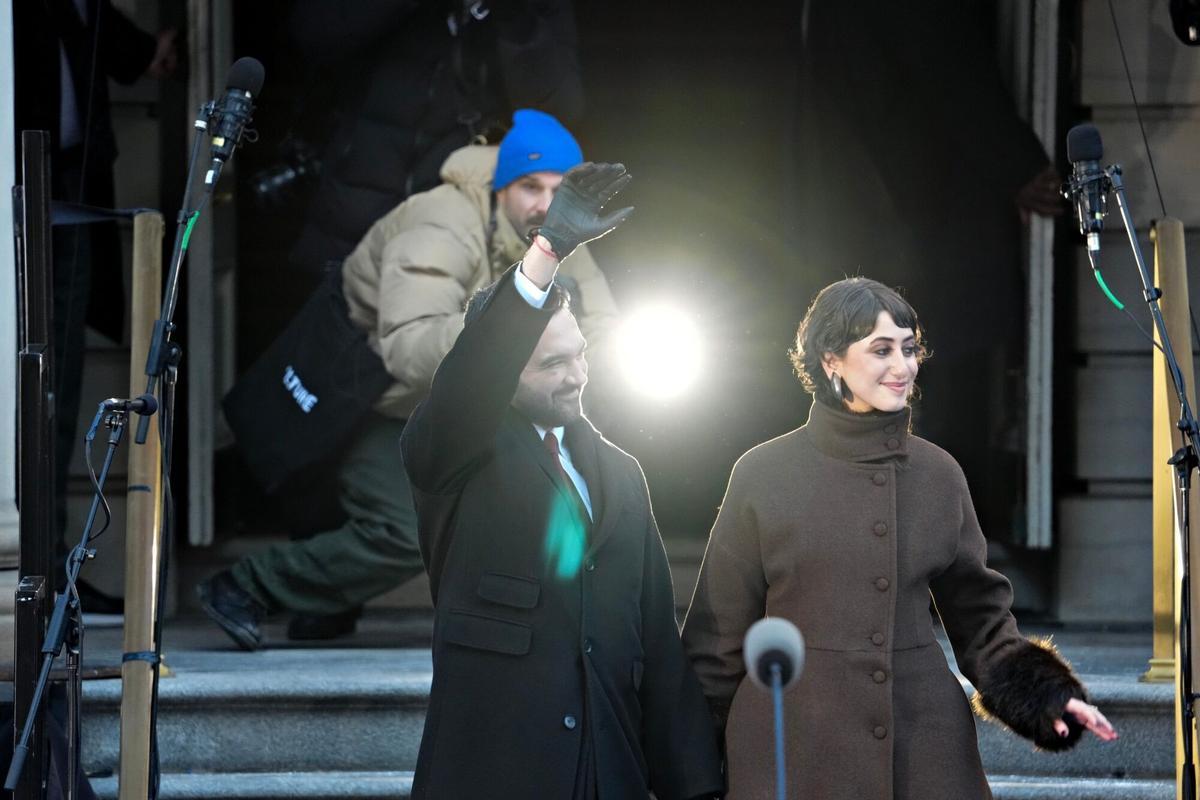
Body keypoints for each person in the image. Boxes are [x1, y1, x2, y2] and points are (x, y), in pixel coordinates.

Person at [681, 278, 1116, 799]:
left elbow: (980, 620)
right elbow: (717, 641)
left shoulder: (939, 473)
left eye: (909, 349)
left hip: (923, 745)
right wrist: (691, 774)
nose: (903, 366)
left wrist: (1045, 695)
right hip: (794, 745)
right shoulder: (763, 473)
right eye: (881, 350)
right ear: (831, 360)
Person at [198, 110, 620, 648]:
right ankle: (246, 587)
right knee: (407, 527)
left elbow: (603, 329)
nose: (545, 204)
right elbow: (410, 348)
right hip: (377, 401)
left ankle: (551, 626)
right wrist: (516, 321)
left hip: (468, 405)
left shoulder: (556, 235)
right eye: (530, 186)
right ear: (500, 186)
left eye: (560, 191)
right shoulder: (440, 222)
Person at [400, 162, 722, 799]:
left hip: (608, 774)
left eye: (580, 355)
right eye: (552, 364)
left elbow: (658, 646)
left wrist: (696, 788)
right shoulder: (458, 451)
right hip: (498, 776)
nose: (577, 375)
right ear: (505, 371)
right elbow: (469, 379)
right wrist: (545, 252)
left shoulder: (621, 475)